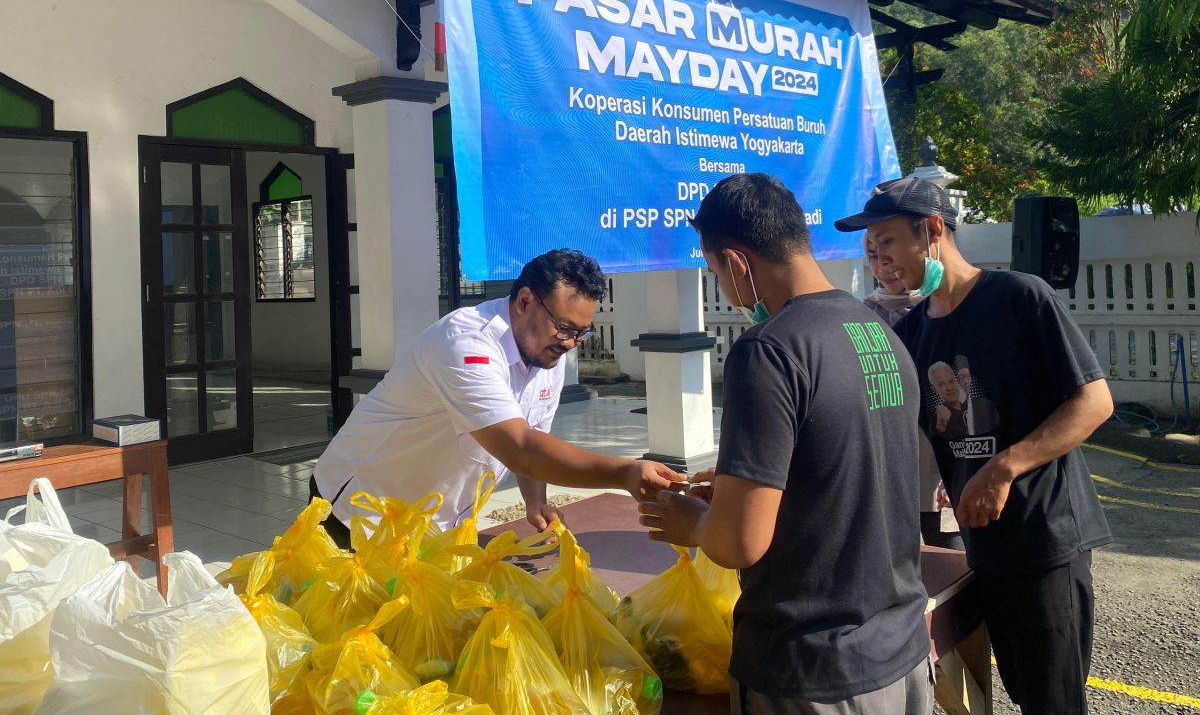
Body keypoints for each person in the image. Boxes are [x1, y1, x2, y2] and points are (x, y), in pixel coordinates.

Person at [639, 174, 933, 715]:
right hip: (903, 650)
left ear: (738, 262)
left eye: (714, 272)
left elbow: (738, 543)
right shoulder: (879, 331)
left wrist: (695, 524)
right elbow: (845, 469)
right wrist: (732, 492)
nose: (722, 288)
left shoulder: (767, 351)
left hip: (812, 669)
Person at [835, 176, 1113, 715]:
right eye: (870, 250)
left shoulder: (1019, 297)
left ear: (933, 230)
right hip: (978, 547)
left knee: (1052, 700)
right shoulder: (913, 331)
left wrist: (1004, 466)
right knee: (1003, 688)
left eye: (888, 242)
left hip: (1044, 541)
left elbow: (1094, 402)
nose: (878, 260)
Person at [310, 249, 684, 545]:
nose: (570, 343)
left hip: (432, 525)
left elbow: (534, 436)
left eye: (581, 333)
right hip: (357, 515)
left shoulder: (545, 355)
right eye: (564, 328)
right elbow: (518, 447)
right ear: (524, 301)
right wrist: (624, 472)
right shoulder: (465, 346)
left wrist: (535, 499)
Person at [866, 234, 963, 550]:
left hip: (940, 471)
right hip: (891, 471)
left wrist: (961, 472)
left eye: (888, 252)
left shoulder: (943, 310)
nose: (883, 266)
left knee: (952, 558)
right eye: (872, 256)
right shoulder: (862, 316)